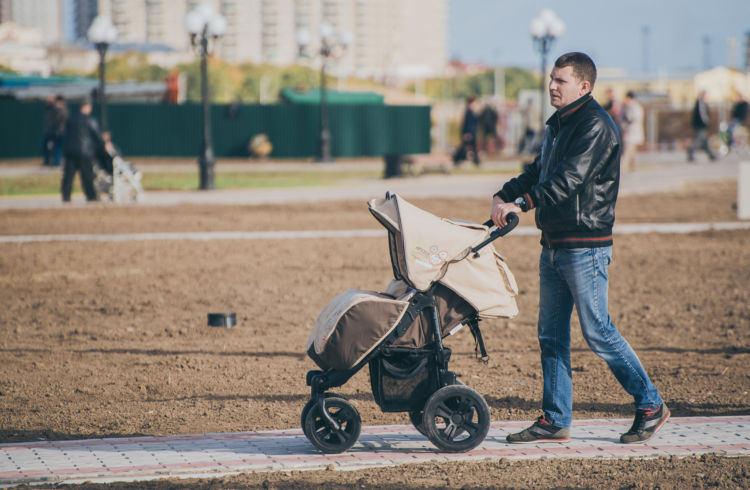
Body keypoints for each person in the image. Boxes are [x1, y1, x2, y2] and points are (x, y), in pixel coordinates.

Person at [490, 52, 668, 445]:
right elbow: (540, 171)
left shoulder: (595, 126)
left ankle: (651, 405)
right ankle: (555, 419)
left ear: (584, 87)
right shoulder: (559, 124)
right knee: (550, 335)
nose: (552, 86)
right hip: (554, 243)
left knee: (598, 331)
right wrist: (504, 193)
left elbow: (568, 180)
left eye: (561, 81)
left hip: (584, 246)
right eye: (551, 79)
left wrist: (520, 205)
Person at [61, 99, 105, 202]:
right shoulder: (89, 120)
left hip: (70, 151)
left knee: (68, 176)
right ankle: (91, 196)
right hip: (85, 152)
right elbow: (97, 135)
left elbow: (65, 134)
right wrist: (103, 144)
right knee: (87, 176)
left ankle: (66, 196)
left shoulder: (70, 119)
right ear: (86, 107)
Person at [687, 90, 716, 162]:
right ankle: (691, 153)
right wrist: (705, 123)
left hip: (700, 125)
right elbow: (702, 115)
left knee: (704, 141)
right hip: (700, 125)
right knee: (698, 140)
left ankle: (712, 155)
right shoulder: (701, 103)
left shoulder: (701, 102)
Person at [452, 95, 480, 166]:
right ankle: (457, 158)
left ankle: (458, 159)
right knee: (465, 147)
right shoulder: (468, 112)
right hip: (469, 133)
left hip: (471, 133)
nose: (476, 104)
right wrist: (467, 133)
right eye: (475, 102)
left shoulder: (471, 111)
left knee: (467, 147)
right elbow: (466, 124)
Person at [620, 91, 644, 171]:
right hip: (631, 132)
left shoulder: (634, 107)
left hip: (632, 133)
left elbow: (633, 119)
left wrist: (625, 123)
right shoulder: (629, 107)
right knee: (632, 151)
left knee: (627, 151)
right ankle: (634, 167)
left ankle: (621, 168)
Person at [42, 94, 68, 167]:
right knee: (55, 147)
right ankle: (56, 161)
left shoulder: (62, 110)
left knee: (60, 147)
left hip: (61, 132)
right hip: (55, 131)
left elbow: (62, 121)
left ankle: (59, 161)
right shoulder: (53, 110)